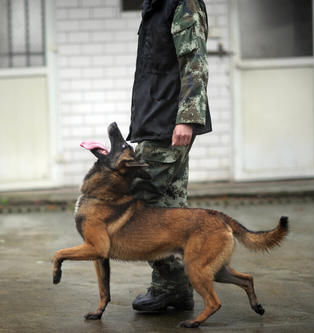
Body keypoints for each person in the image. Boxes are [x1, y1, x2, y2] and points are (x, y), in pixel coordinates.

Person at [127, 0, 212, 312]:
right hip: (155, 121)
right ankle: (174, 289)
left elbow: (195, 62)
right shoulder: (157, 5)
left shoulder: (182, 4)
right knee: (170, 210)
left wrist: (187, 118)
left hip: (167, 124)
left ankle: (171, 287)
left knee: (134, 207)